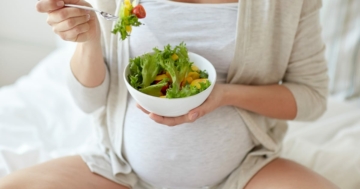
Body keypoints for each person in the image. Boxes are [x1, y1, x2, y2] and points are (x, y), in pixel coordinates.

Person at [0, 0, 340, 188]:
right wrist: (88, 40)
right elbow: (88, 101)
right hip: (120, 172)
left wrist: (224, 95)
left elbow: (311, 98)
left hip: (244, 173)